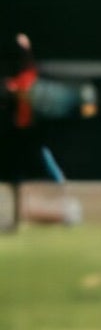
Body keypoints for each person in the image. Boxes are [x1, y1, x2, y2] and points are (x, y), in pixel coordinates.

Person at [2, 33, 39, 232]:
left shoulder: (26, 80)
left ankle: (14, 221)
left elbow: (22, 83)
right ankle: (11, 220)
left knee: (15, 179)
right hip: (12, 132)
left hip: (20, 134)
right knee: (11, 180)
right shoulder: (18, 80)